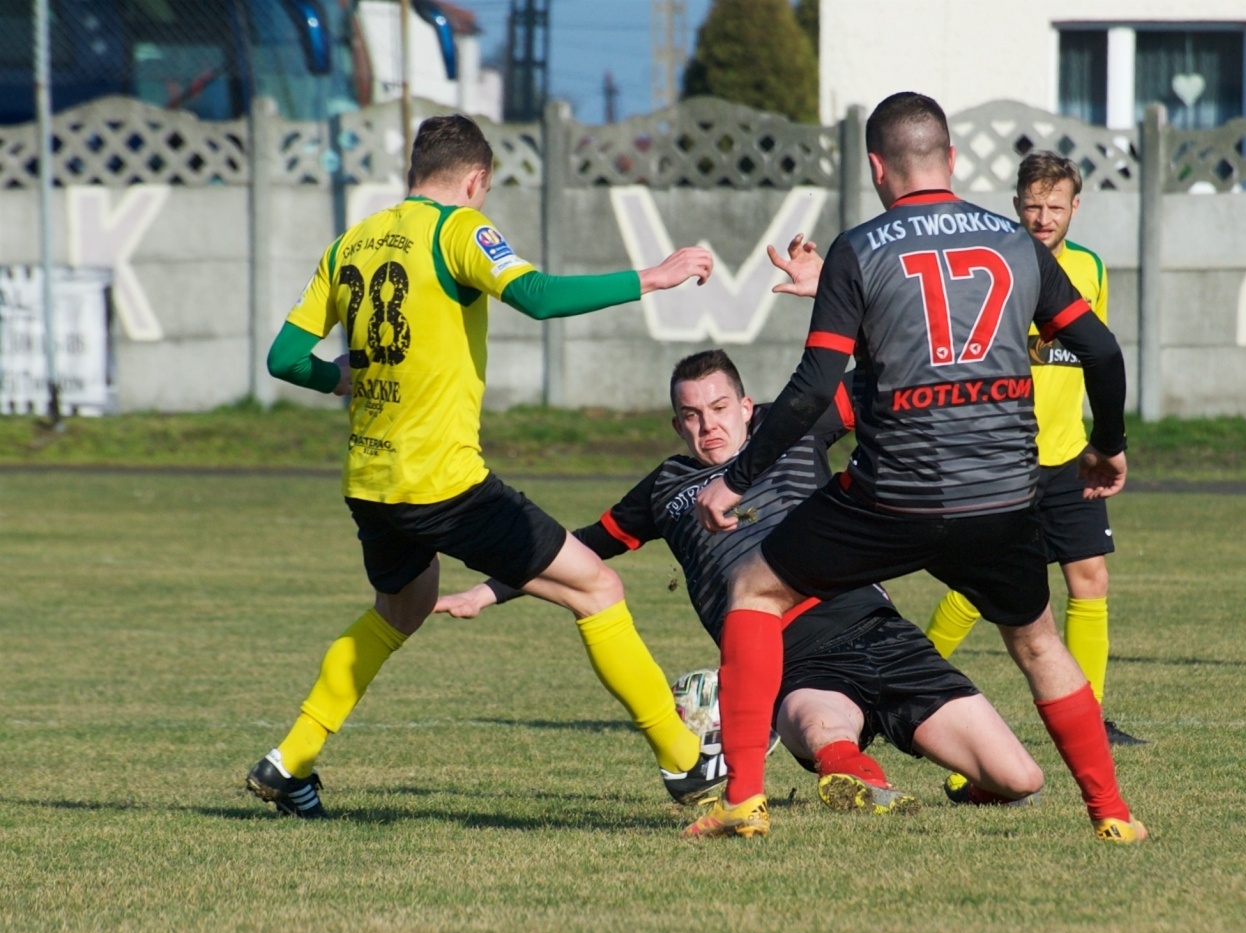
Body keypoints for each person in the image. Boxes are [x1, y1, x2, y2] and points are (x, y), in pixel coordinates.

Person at [689, 92, 1148, 843]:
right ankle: (1113, 815)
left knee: (754, 588)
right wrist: (1111, 441)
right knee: (1038, 642)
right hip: (1003, 495)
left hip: (892, 497)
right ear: (953, 160)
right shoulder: (1017, 243)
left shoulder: (859, 248)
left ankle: (744, 801)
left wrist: (736, 480)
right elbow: (1100, 348)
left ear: (876, 167)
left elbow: (813, 388)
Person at [243, 114, 714, 818]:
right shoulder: (459, 230)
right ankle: (684, 761)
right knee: (598, 587)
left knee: (400, 610)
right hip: (445, 484)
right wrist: (655, 276)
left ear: (413, 171)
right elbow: (538, 297)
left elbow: (284, 358)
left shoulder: (351, 242)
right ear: (476, 180)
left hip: (371, 483)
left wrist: (336, 377)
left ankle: (289, 761)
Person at [434, 349, 1046, 819]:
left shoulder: (792, 425)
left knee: (1022, 779)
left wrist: (829, 296)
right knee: (819, 725)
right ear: (677, 424)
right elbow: (582, 548)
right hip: (785, 652)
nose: (708, 426)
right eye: (692, 415)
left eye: (720, 408)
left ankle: (972, 784)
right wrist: (486, 591)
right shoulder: (664, 488)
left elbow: (889, 374)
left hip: (875, 626)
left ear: (747, 406)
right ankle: (856, 776)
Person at [922, 151, 1146, 747]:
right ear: (1015, 205)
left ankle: (1091, 716)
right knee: (978, 587)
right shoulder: (993, 266)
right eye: (1032, 206)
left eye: (1055, 207)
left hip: (1070, 455)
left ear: (1076, 207)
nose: (1043, 218)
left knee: (1090, 577)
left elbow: (1098, 357)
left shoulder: (1091, 269)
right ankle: (901, 684)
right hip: (1002, 455)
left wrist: (1104, 439)